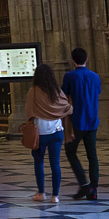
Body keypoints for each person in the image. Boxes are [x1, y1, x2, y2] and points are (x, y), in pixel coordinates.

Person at [25, 63, 72, 202]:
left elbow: (29, 111)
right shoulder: (56, 91)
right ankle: (55, 196)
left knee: (39, 162)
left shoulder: (33, 91)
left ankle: (41, 193)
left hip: (40, 133)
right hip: (57, 132)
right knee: (55, 164)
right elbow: (67, 107)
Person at [62, 47, 101, 200]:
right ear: (87, 59)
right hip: (92, 120)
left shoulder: (70, 76)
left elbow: (64, 94)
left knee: (70, 151)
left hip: (77, 120)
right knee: (92, 155)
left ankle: (84, 184)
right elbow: (97, 93)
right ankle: (94, 189)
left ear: (73, 60)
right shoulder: (95, 76)